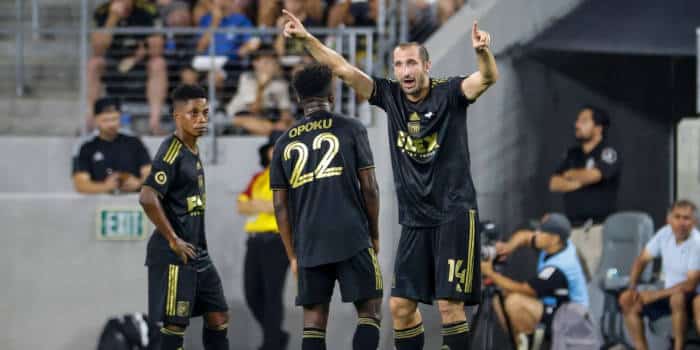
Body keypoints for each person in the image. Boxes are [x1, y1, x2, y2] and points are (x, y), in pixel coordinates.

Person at [280, 9, 498, 350]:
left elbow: (486, 79)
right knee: (399, 306)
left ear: (426, 66)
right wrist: (307, 39)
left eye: (411, 63)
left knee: (449, 306)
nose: (405, 71)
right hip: (414, 220)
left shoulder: (451, 92)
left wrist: (483, 54)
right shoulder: (390, 96)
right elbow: (342, 68)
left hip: (454, 215)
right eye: (398, 65)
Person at [270, 63, 383, 350]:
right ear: (331, 96)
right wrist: (374, 234)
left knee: (313, 321)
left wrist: (292, 254)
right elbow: (369, 188)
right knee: (369, 313)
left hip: (309, 241)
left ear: (298, 100)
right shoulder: (352, 128)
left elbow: (280, 207)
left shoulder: (283, 143)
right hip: (352, 234)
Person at [139, 85, 230, 350]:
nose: (201, 119)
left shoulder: (193, 149)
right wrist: (173, 239)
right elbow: (147, 197)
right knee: (175, 325)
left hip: (198, 252)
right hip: (175, 254)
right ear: (177, 116)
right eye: (193, 113)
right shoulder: (171, 150)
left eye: (205, 113)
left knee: (218, 316)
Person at [481, 213, 589, 347]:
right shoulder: (558, 244)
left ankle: (527, 343)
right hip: (555, 306)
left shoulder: (560, 266)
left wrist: (491, 274)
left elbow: (526, 289)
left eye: (542, 232)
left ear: (554, 238)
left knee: (515, 303)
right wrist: (508, 247)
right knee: (500, 297)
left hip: (572, 320)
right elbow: (524, 236)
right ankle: (519, 343)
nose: (536, 234)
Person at [549, 106, 622, 278]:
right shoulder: (572, 154)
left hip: (595, 230)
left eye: (583, 121)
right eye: (577, 120)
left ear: (598, 127)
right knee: (570, 278)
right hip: (572, 229)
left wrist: (570, 175)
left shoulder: (607, 152)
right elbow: (554, 183)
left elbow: (596, 175)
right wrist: (580, 180)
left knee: (593, 280)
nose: (577, 124)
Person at [618, 200, 700, 350]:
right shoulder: (664, 233)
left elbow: (690, 285)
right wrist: (632, 287)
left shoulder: (696, 243)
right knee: (626, 300)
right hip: (668, 293)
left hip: (691, 295)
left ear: (694, 222)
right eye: (677, 217)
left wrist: (655, 295)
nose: (681, 223)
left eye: (686, 218)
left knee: (677, 298)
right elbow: (641, 260)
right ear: (669, 219)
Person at [237, 131, 290, 350]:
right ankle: (276, 336)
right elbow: (241, 205)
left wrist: (258, 204)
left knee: (271, 294)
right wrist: (264, 205)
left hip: (276, 241)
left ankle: (271, 343)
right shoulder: (258, 177)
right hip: (255, 240)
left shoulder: (292, 176)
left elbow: (277, 207)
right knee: (251, 294)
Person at [88, 0, 168, 135]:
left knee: (158, 64)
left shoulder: (148, 10)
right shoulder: (102, 12)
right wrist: (112, 19)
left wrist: (137, 56)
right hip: (112, 64)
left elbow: (158, 47)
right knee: (93, 64)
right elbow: (98, 50)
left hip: (141, 63)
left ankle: (154, 123)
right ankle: (90, 121)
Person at [73, 97, 151, 194]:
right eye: (105, 120)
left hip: (134, 203)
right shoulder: (87, 148)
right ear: (96, 120)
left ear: (120, 118)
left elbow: (149, 173)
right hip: (99, 204)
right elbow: (80, 184)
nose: (111, 124)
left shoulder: (134, 143)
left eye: (114, 119)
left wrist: (139, 183)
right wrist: (106, 186)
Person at [227, 47, 294, 135]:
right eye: (266, 62)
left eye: (273, 63)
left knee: (292, 125)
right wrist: (261, 87)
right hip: (241, 115)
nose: (270, 66)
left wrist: (283, 122)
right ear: (255, 63)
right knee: (261, 126)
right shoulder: (247, 78)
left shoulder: (280, 84)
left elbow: (285, 112)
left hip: (267, 118)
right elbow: (254, 110)